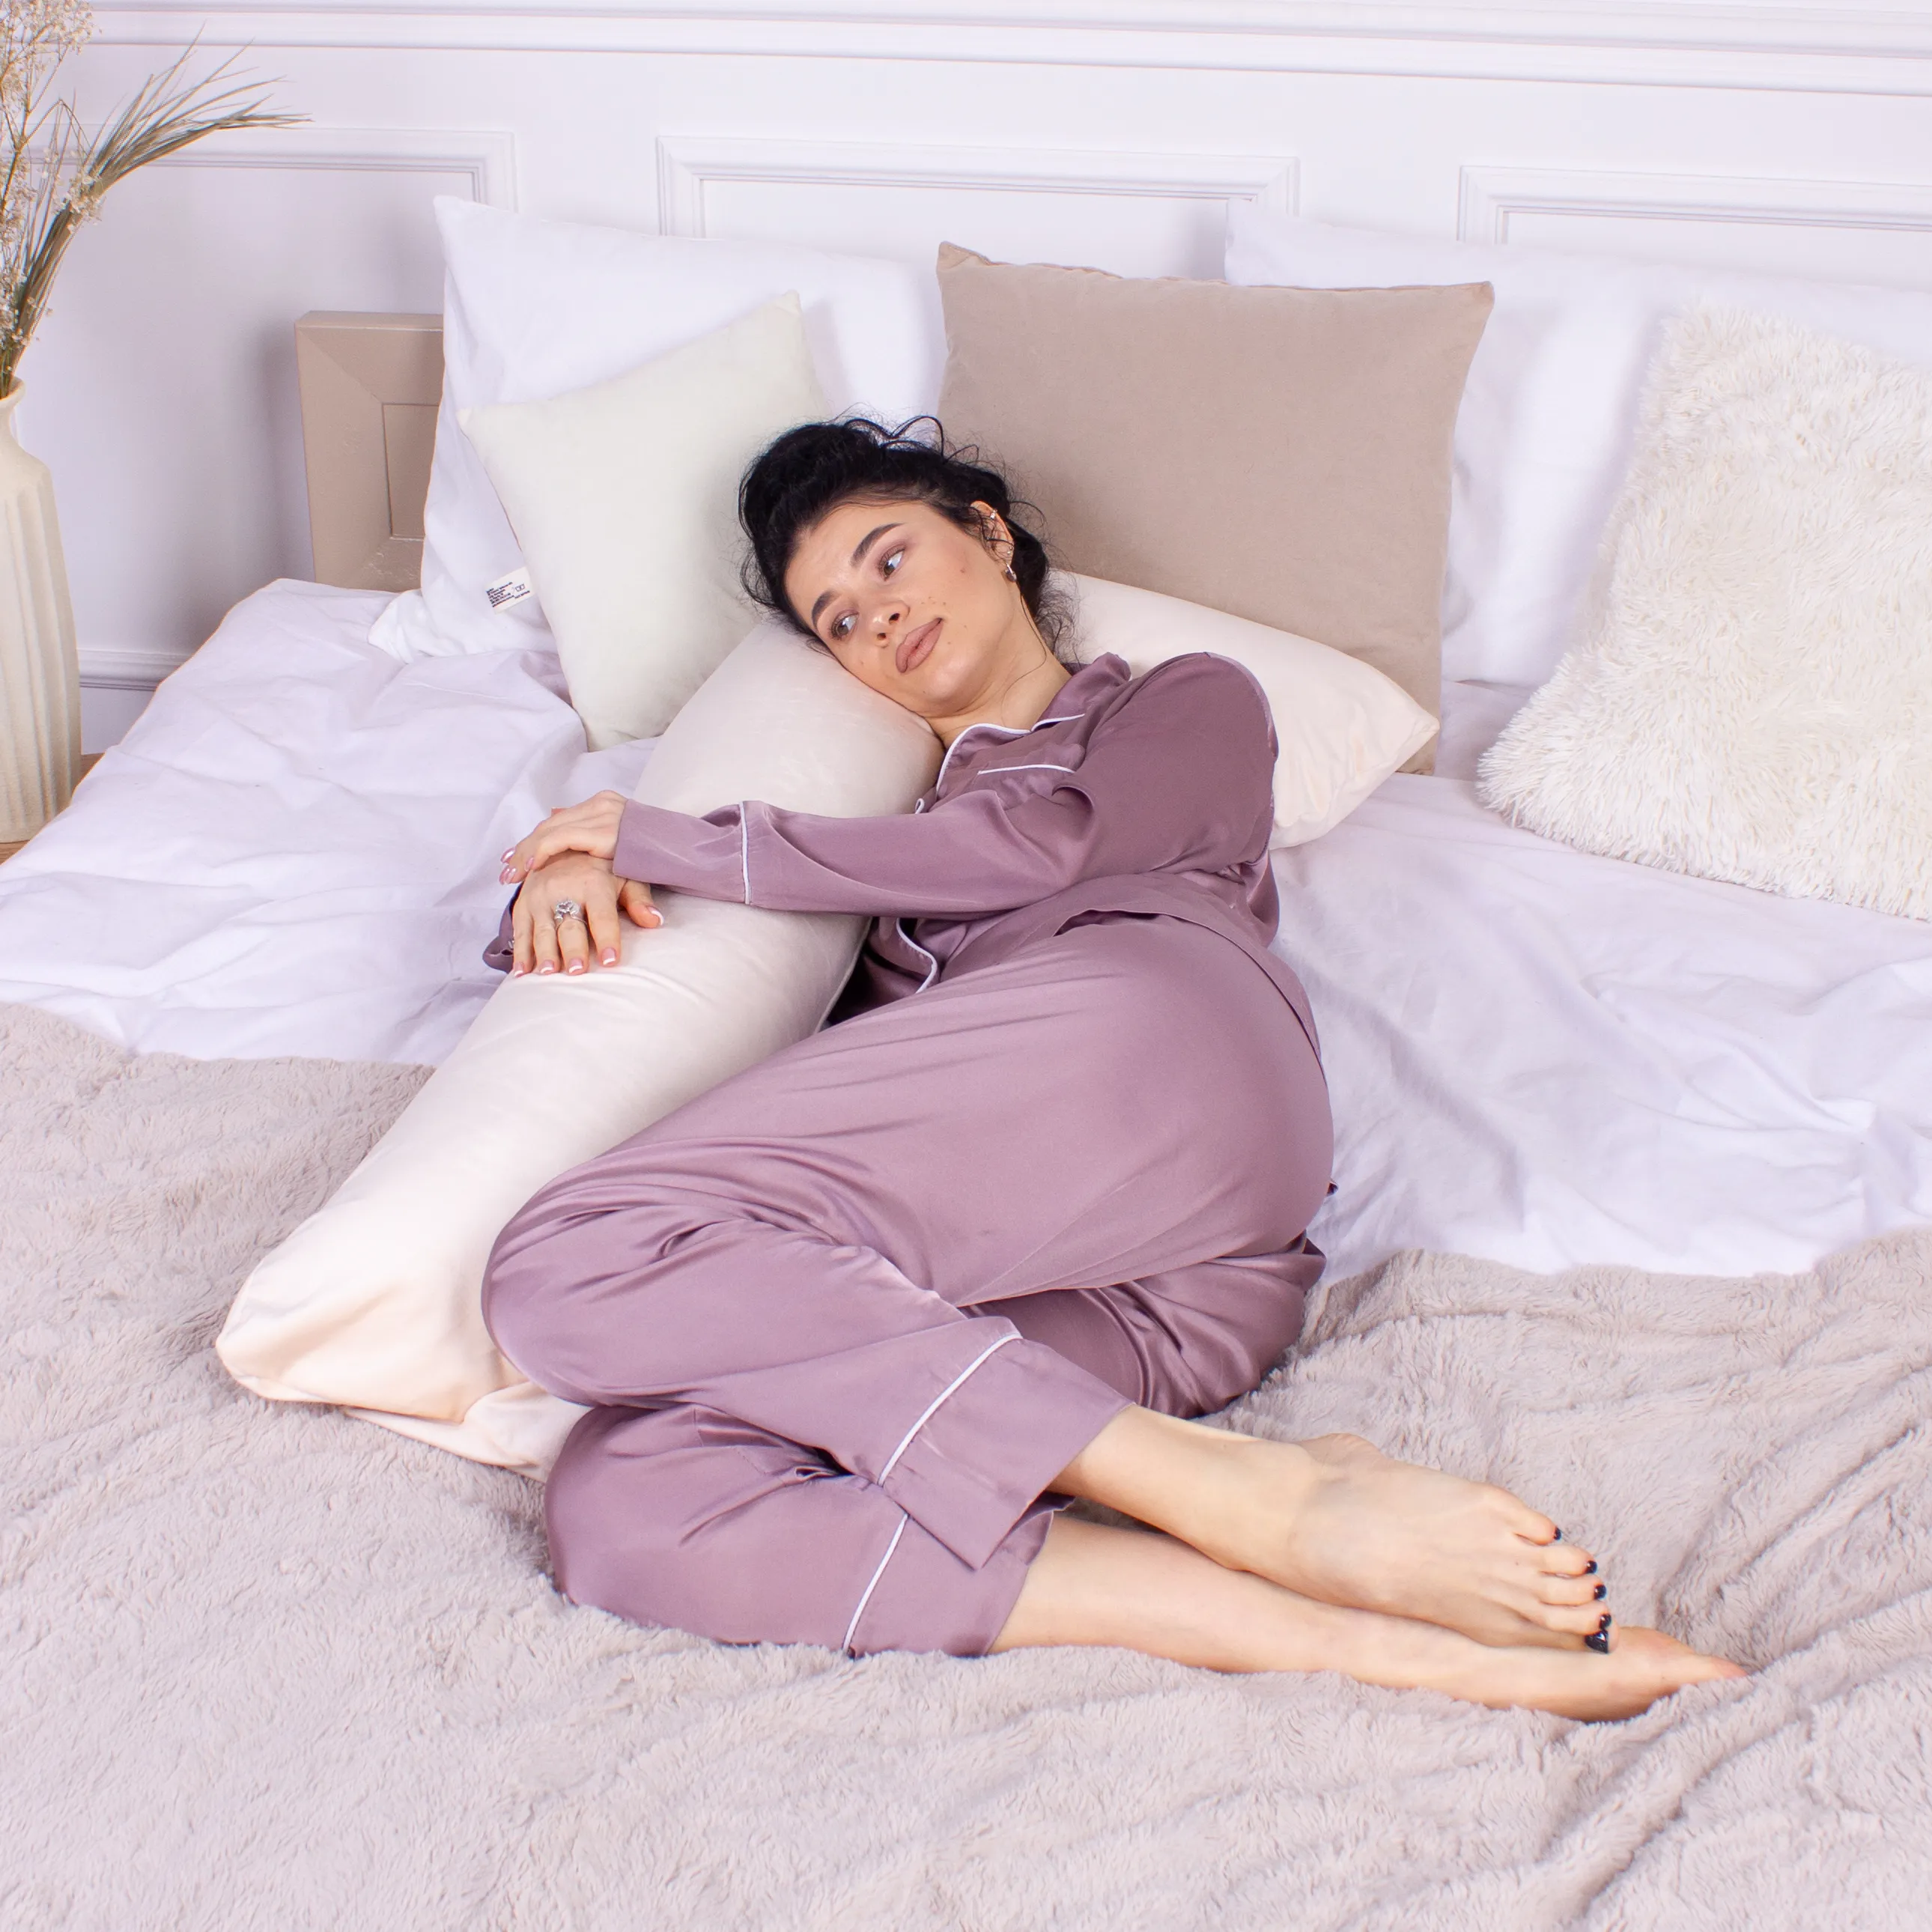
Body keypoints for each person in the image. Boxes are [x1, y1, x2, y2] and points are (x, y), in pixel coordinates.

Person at [480, 417, 1743, 1720]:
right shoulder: (878, 857)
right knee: (629, 1497)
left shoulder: (1182, 702)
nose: (877, 615)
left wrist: (685, 840)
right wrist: (575, 872)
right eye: (839, 620)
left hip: (1167, 1049)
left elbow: (1043, 851)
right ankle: (1373, 1644)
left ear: (989, 534)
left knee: (573, 1252)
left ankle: (1254, 1496)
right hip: (1161, 1303)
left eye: (889, 559)